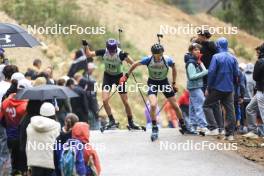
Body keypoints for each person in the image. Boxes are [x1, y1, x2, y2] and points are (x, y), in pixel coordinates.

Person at [121, 43, 187, 141]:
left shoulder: (167, 59)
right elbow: (135, 64)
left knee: (175, 105)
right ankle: (155, 127)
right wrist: (126, 75)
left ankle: (183, 125)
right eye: (158, 54)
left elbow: (174, 67)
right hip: (153, 83)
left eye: (161, 54)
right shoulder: (148, 59)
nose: (160, 56)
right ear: (153, 54)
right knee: (152, 105)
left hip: (164, 82)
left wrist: (173, 83)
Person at [83, 38, 140, 130]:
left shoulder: (121, 54)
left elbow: (134, 64)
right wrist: (86, 45)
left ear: (116, 48)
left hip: (119, 78)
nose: (112, 53)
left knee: (125, 101)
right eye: (110, 51)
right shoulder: (104, 52)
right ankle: (112, 121)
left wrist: (127, 75)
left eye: (113, 51)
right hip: (108, 77)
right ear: (107, 48)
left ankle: (131, 122)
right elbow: (88, 54)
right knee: (105, 100)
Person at [203, 37, 239, 141]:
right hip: (229, 88)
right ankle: (230, 134)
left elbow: (211, 72)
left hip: (217, 88)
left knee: (206, 105)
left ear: (218, 45)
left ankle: (213, 127)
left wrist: (208, 87)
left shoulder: (216, 57)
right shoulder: (233, 58)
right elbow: (236, 74)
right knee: (230, 110)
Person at [1, 78, 31, 175]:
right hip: (22, 137)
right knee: (22, 161)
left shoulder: (5, 102)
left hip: (9, 135)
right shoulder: (25, 106)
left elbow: (1, 119)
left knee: (12, 159)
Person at [26, 102, 60, 176]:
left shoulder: (30, 125)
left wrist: (29, 166)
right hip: (51, 163)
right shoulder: (57, 126)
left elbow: (28, 146)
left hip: (34, 162)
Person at [184, 43, 208, 134]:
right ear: (191, 51)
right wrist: (205, 72)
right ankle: (203, 126)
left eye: (198, 50)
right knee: (200, 106)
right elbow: (192, 76)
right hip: (195, 87)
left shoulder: (195, 61)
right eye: (195, 50)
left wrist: (200, 62)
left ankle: (193, 126)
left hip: (194, 87)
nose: (198, 51)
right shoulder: (191, 63)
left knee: (193, 107)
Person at [243, 43, 264, 139]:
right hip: (259, 92)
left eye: (258, 51)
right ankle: (253, 131)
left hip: (261, 92)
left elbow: (255, 77)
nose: (257, 53)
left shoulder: (260, 62)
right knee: (249, 108)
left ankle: (253, 131)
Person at [84, 63, 100, 130]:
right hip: (91, 109)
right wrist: (96, 111)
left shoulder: (84, 77)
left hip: (87, 108)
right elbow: (93, 98)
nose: (93, 71)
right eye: (92, 69)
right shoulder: (90, 80)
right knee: (95, 127)